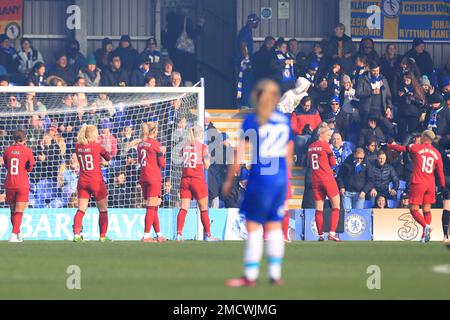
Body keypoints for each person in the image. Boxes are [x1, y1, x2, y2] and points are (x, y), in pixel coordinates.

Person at [222, 79, 293, 287]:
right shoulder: (284, 121)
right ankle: (275, 274)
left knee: (253, 226)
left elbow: (239, 152)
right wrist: (286, 178)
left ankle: (250, 276)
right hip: (279, 178)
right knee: (274, 225)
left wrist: (229, 180)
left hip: (262, 176)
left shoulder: (253, 120)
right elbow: (289, 152)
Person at [387, 130, 446, 243]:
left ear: (424, 137)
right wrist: (442, 186)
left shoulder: (417, 147)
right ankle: (425, 236)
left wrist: (390, 145)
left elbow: (401, 148)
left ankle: (425, 226)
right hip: (430, 184)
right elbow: (440, 172)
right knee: (426, 209)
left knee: (413, 209)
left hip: (418, 183)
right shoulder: (437, 153)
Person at [176, 125, 217, 242]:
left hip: (185, 179)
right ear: (200, 134)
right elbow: (207, 165)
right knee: (203, 208)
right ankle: (208, 235)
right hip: (197, 179)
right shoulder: (203, 147)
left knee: (184, 208)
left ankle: (179, 234)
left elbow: (182, 159)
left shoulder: (184, 146)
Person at [72, 124, 111, 242]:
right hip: (96, 181)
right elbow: (108, 157)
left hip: (83, 181)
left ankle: (77, 235)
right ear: (93, 134)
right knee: (103, 209)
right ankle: (103, 236)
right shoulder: (96, 146)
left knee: (81, 209)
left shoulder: (77, 146)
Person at [307, 123, 341, 241]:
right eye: (327, 135)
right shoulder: (326, 146)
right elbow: (333, 164)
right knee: (336, 205)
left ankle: (320, 235)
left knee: (319, 209)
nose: (329, 137)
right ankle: (331, 233)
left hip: (315, 179)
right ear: (321, 134)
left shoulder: (310, 147)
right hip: (327, 178)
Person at [2, 130, 35, 242]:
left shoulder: (7, 150)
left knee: (12, 210)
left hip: (9, 183)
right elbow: (30, 168)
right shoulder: (28, 151)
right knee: (19, 211)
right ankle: (13, 235)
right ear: (25, 139)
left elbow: (6, 165)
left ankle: (18, 233)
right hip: (22, 184)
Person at [137, 122, 167, 242]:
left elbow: (140, 160)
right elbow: (162, 164)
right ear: (154, 131)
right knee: (151, 207)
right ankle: (146, 236)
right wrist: (162, 153)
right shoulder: (155, 144)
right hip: (154, 177)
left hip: (143, 177)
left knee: (153, 207)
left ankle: (159, 235)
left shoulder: (140, 145)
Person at [355, 60, 392, 126]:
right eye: (374, 71)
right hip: (367, 110)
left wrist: (389, 107)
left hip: (380, 110)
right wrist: (371, 92)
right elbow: (358, 94)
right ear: (370, 70)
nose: (376, 73)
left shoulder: (383, 79)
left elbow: (388, 94)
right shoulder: (363, 79)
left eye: (377, 70)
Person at [235, 14, 260, 108]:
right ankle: (244, 104)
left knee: (248, 82)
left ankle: (246, 103)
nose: (257, 23)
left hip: (246, 61)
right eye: (256, 21)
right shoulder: (245, 31)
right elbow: (243, 45)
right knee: (246, 82)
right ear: (252, 21)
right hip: (244, 63)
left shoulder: (248, 31)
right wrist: (246, 59)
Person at [291, 96, 322, 165]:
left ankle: (311, 162)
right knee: (300, 141)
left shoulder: (315, 112)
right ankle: (299, 160)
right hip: (301, 135)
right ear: (302, 104)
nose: (307, 107)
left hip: (312, 135)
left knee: (315, 141)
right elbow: (293, 126)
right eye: (305, 105)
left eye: (309, 105)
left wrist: (313, 131)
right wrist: (301, 131)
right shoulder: (296, 113)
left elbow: (319, 125)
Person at [396, 72, 425, 143]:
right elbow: (397, 100)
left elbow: (421, 101)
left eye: (407, 80)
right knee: (401, 131)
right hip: (402, 112)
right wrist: (401, 96)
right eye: (404, 80)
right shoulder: (401, 87)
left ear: (412, 80)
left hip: (413, 112)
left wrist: (412, 97)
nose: (406, 82)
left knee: (412, 132)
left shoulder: (416, 88)